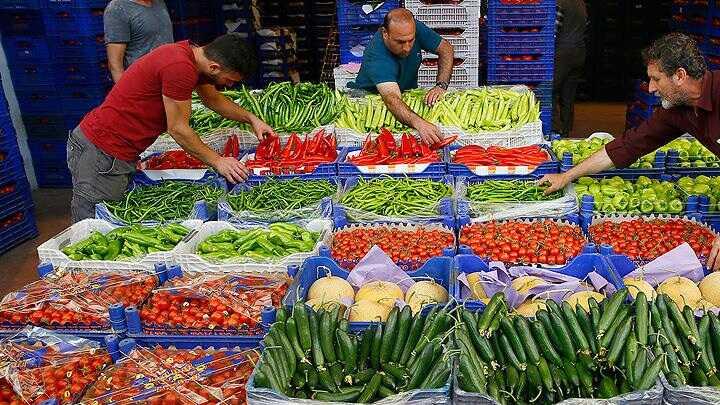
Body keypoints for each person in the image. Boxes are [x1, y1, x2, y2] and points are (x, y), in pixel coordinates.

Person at [540, 33, 720, 270]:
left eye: (656, 79)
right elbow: (629, 144)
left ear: (680, 75)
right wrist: (567, 176)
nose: (652, 88)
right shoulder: (678, 110)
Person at [67, 34, 275, 223]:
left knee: (109, 221)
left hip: (115, 151)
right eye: (229, 81)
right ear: (214, 67)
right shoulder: (180, 67)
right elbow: (177, 129)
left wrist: (251, 119)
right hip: (102, 151)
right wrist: (218, 161)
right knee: (93, 226)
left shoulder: (192, 57)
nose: (228, 86)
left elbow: (213, 100)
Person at [349, 8, 455, 144]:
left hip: (405, 96)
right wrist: (420, 123)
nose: (407, 47)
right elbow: (391, 99)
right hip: (373, 103)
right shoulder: (376, 57)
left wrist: (441, 85)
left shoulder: (410, 29)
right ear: (385, 34)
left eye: (411, 41)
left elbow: (446, 49)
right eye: (400, 42)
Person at [104, 0, 174, 82]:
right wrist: (127, 93)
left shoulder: (159, 3)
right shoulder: (117, 8)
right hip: (143, 85)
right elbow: (115, 65)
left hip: (169, 79)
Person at [553, 0, 587, 137]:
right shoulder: (581, 3)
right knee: (568, 96)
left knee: (551, 92)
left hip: (562, 53)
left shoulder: (559, 3)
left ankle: (554, 131)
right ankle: (566, 132)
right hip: (579, 52)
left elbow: (554, 30)